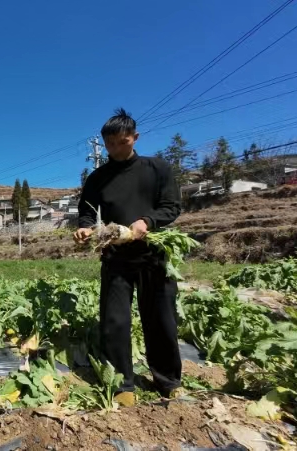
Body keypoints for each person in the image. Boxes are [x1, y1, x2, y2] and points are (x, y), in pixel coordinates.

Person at [74, 108, 183, 407]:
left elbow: (171, 207)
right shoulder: (98, 177)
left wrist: (146, 222)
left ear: (135, 138)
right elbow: (85, 211)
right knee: (115, 321)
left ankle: (169, 380)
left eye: (122, 142)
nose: (115, 149)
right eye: (109, 144)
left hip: (153, 256)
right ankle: (123, 382)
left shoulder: (157, 168)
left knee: (161, 320)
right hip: (116, 257)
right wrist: (84, 229)